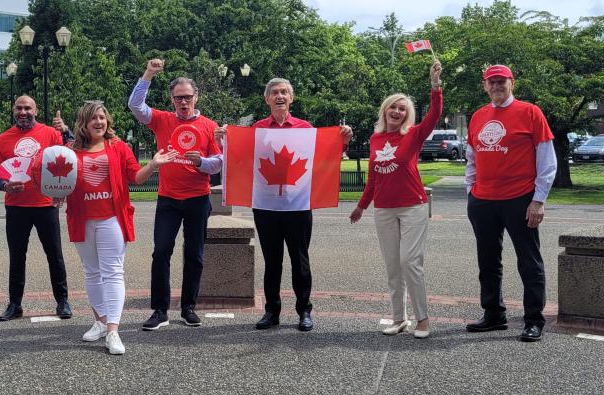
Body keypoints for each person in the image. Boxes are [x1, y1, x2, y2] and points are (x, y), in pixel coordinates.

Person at [216, 78, 353, 332]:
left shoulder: (305, 128)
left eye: (284, 92)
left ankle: (304, 310)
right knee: (272, 261)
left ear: (291, 98)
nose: (279, 96)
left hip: (298, 205)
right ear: (267, 99)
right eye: (274, 93)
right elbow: (239, 159)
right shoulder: (257, 129)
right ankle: (272, 311)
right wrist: (223, 140)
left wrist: (342, 140)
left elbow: (325, 158)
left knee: (300, 260)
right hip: (266, 206)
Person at [65, 101, 178, 355]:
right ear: (83, 122)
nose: (98, 122)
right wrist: (56, 193)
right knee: (91, 272)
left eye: (102, 117)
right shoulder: (71, 151)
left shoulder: (118, 147)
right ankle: (100, 322)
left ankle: (113, 331)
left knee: (113, 272)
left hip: (111, 219)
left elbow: (135, 177)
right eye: (93, 118)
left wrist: (153, 165)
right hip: (82, 219)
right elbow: (61, 182)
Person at [349, 61, 444, 339]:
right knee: (393, 266)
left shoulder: (414, 134)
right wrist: (361, 206)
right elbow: (373, 177)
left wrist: (435, 84)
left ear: (407, 115)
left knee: (410, 262)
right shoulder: (375, 139)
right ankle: (399, 318)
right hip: (384, 209)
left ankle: (423, 320)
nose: (397, 112)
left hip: (413, 206)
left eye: (402, 109)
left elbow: (435, 115)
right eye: (393, 107)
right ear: (385, 111)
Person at [128, 58, 222, 331]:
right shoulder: (162, 119)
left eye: (187, 97)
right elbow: (136, 106)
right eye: (178, 97)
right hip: (168, 198)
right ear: (172, 99)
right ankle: (160, 310)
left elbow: (219, 161)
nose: (183, 102)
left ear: (196, 97)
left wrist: (201, 162)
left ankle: (188, 307)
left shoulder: (209, 125)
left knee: (194, 255)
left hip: (198, 198)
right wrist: (148, 74)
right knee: (161, 252)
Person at [464, 65, 556, 342]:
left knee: (529, 261)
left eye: (501, 81)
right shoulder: (478, 116)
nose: (496, 86)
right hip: (483, 200)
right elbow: (471, 157)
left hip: (520, 198)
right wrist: (470, 192)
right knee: (488, 261)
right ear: (485, 86)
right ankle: (494, 314)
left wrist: (538, 200)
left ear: (511, 83)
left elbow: (547, 160)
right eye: (491, 82)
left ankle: (534, 320)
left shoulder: (530, 112)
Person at [0, 96, 72, 321]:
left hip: (46, 204)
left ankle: (62, 301)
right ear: (13, 110)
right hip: (16, 206)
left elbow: (70, 154)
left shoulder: (51, 133)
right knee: (17, 257)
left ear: (35, 110)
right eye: (19, 108)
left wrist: (66, 131)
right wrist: (5, 185)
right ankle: (15, 304)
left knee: (55, 255)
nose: (23, 112)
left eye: (28, 108)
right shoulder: (4, 138)